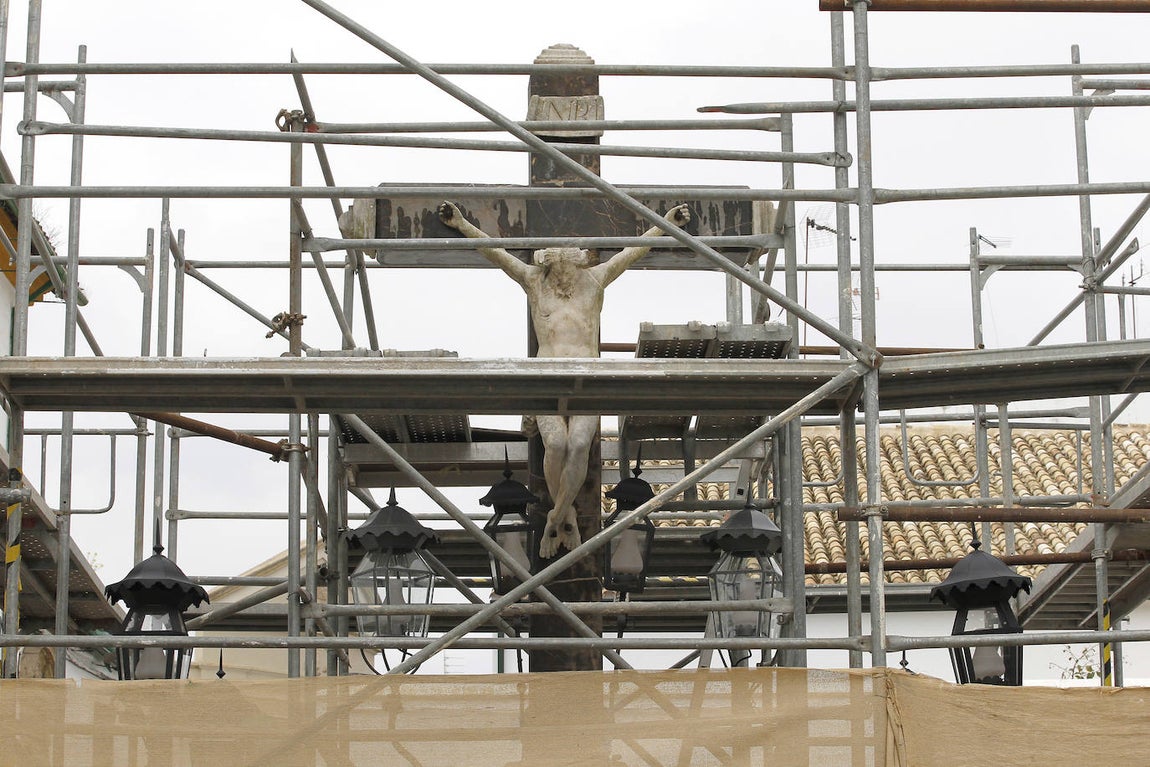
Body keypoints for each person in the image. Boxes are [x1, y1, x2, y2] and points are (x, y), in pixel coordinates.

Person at [438, 200, 691, 557]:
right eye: (556, 268)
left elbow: (632, 252)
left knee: (578, 447)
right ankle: (565, 513)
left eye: (566, 268)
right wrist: (462, 225)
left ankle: (556, 517)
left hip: (589, 379)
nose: (561, 275)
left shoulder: (595, 280)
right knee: (556, 445)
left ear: (576, 264)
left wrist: (665, 224)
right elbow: (497, 254)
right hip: (546, 379)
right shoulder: (534, 282)